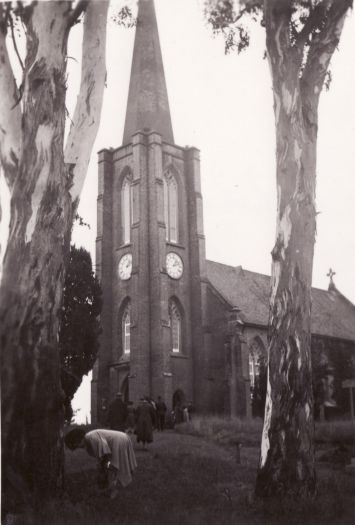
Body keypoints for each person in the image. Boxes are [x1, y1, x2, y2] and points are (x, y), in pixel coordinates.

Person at [65, 427, 137, 498]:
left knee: (114, 467)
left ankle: (113, 489)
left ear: (79, 439)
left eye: (77, 445)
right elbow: (102, 454)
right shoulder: (89, 438)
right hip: (122, 437)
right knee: (111, 466)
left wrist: (106, 465)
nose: (78, 447)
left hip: (119, 441)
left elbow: (106, 453)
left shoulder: (92, 438)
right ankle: (111, 486)